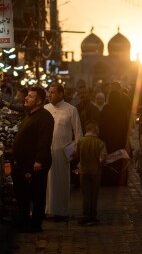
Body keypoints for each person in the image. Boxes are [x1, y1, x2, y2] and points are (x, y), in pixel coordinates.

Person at [11, 86, 54, 233]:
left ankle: (35, 225)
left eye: (30, 96)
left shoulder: (45, 117)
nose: (26, 98)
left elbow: (44, 140)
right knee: (23, 194)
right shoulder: (30, 115)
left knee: (37, 194)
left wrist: (39, 161)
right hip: (24, 163)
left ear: (39, 101)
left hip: (34, 164)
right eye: (27, 95)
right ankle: (24, 221)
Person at [44, 82, 82, 221]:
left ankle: (61, 211)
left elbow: (78, 132)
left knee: (61, 181)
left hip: (62, 153)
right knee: (47, 182)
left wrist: (76, 149)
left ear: (61, 94)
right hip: (46, 152)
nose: (49, 94)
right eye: (49, 92)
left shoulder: (71, 110)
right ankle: (47, 210)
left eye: (53, 92)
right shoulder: (45, 109)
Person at [72, 122, 107, 226]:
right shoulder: (100, 143)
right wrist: (101, 164)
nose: (99, 131)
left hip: (83, 172)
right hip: (95, 172)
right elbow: (103, 158)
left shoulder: (80, 142)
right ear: (94, 129)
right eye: (98, 129)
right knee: (94, 194)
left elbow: (75, 155)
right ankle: (93, 215)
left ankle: (86, 215)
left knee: (85, 195)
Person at [98, 89, 132, 186]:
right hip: (120, 140)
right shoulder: (122, 109)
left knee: (109, 160)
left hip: (108, 140)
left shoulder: (106, 108)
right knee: (119, 160)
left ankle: (108, 180)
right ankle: (120, 180)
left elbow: (102, 125)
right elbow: (126, 126)